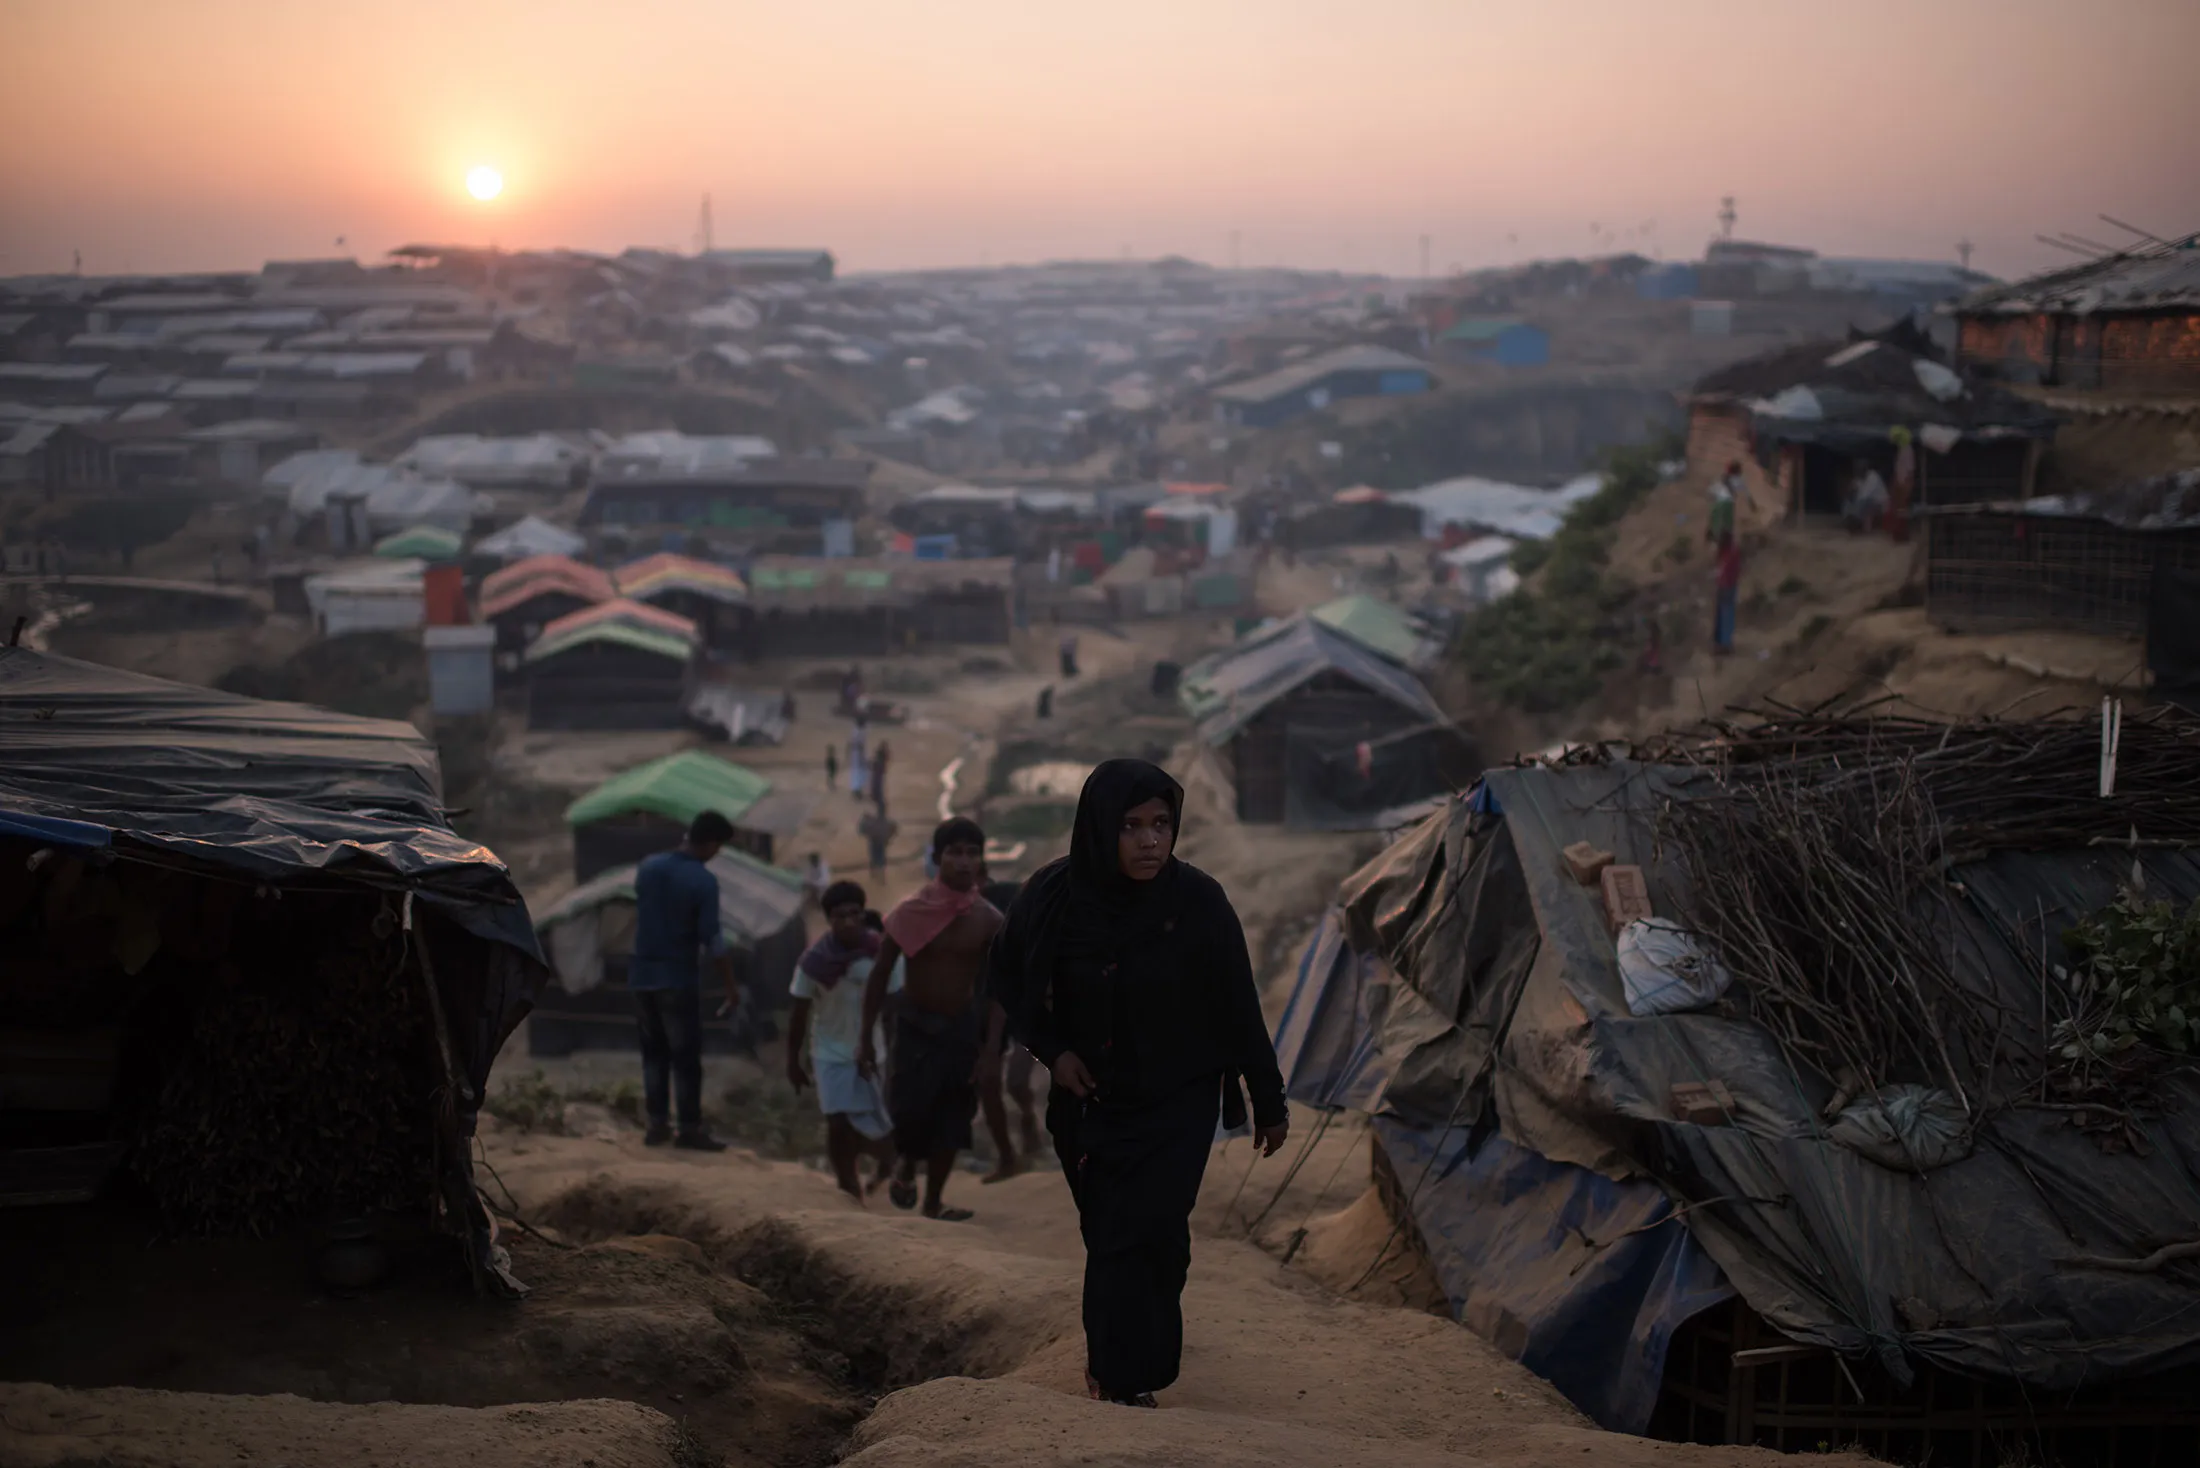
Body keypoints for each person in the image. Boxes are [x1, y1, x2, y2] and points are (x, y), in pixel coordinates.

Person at [987, 759, 1288, 1408]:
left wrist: (1269, 1101)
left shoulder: (1199, 901)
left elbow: (1238, 1003)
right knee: (1110, 1233)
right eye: (1130, 826)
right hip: (1089, 1100)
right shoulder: (1055, 896)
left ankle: (1127, 1375)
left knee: (1156, 1233)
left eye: (1161, 824)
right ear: (1099, 827)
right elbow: (1006, 976)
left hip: (1179, 1098)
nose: (1150, 841)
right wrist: (1053, 1052)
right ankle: (1114, 1371)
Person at [857, 817, 1005, 1221]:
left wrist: (992, 1050)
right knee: (909, 1112)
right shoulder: (910, 911)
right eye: (955, 852)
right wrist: (865, 1037)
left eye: (972, 853)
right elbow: (880, 974)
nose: (964, 861)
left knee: (954, 1117)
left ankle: (934, 1202)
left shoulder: (989, 920)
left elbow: (1000, 988)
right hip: (914, 1025)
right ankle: (906, 1165)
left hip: (961, 1028)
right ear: (938, 857)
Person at [629, 812, 742, 1151]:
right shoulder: (702, 881)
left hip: (641, 977)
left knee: (654, 1054)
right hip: (677, 978)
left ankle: (657, 1125)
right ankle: (689, 1129)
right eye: (718, 848)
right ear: (711, 843)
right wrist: (730, 986)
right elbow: (714, 940)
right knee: (686, 1057)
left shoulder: (648, 867)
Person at [786, 881, 900, 1201]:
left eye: (855, 914)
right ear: (829, 919)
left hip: (874, 1052)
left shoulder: (882, 954)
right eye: (840, 916)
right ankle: (849, 1187)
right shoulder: (813, 963)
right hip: (829, 1052)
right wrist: (793, 1060)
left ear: (864, 914)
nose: (849, 922)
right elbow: (799, 1012)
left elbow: (895, 1006)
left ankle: (886, 1167)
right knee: (837, 1123)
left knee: (877, 1122)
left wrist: (895, 1053)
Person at [1707, 461, 1756, 545]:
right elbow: (1747, 494)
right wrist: (1752, 505)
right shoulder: (1738, 480)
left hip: (1718, 503)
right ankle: (1726, 544)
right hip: (1728, 504)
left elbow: (1711, 491)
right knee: (1728, 527)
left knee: (1715, 523)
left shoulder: (1723, 479)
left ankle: (1713, 538)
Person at [1713, 533, 1742, 655]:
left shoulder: (1728, 553)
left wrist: (1720, 584)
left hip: (1726, 587)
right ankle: (1724, 643)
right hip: (1730, 586)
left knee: (1724, 615)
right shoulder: (1733, 551)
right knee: (1727, 615)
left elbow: (1724, 572)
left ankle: (1724, 644)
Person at [1845, 460, 1889, 534]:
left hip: (1881, 504)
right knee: (1848, 502)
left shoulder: (1873, 476)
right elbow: (1852, 496)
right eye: (1857, 469)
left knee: (1865, 502)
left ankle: (1858, 522)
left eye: (1860, 468)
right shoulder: (1858, 478)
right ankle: (1850, 520)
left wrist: (1854, 507)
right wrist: (1851, 490)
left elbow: (1864, 496)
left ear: (1865, 469)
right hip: (1866, 502)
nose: (1858, 471)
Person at [860, 808, 898, 880]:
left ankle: (877, 874)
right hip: (879, 841)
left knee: (876, 858)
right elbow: (894, 828)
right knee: (879, 859)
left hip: (876, 841)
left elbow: (862, 831)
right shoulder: (885, 822)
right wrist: (888, 839)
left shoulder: (870, 823)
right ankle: (879, 875)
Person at [847, 717, 869, 800]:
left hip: (856, 754)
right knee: (859, 772)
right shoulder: (858, 732)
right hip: (858, 754)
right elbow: (859, 745)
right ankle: (857, 791)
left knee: (857, 772)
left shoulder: (856, 731)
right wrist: (862, 756)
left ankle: (857, 790)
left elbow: (850, 743)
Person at [870, 740, 892, 810]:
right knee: (878, 784)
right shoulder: (881, 754)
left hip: (878, 772)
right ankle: (877, 797)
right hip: (879, 772)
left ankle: (875, 796)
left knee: (877, 783)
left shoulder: (879, 753)